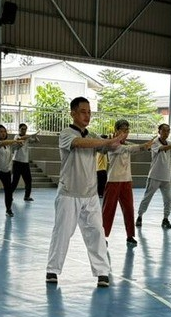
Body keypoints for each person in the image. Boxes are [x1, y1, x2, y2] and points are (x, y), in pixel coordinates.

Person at [46, 97, 127, 287]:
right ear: (73, 113)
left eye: (89, 112)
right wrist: (106, 141)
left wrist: (116, 140)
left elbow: (108, 148)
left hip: (90, 195)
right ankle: (52, 269)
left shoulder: (93, 135)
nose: (87, 116)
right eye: (83, 112)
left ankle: (102, 272)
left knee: (97, 233)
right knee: (62, 233)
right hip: (69, 193)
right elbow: (80, 143)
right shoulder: (66, 134)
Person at [101, 119, 155, 247]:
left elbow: (132, 148)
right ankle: (102, 236)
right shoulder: (112, 144)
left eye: (127, 130)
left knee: (129, 209)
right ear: (116, 130)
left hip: (126, 181)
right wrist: (142, 146)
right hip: (113, 181)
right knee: (108, 210)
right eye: (123, 130)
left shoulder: (126, 144)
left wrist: (145, 147)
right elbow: (127, 149)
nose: (125, 133)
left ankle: (130, 236)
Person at [136, 123, 171, 229]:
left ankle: (165, 219)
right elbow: (163, 148)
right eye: (164, 130)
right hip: (155, 176)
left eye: (168, 131)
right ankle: (140, 216)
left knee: (168, 200)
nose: (166, 133)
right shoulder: (155, 143)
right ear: (159, 131)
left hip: (166, 178)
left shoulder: (170, 143)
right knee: (147, 197)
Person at [9, 123, 37, 202]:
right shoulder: (16, 137)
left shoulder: (27, 138)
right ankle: (9, 195)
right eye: (22, 129)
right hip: (17, 162)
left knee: (28, 180)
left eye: (25, 129)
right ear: (19, 129)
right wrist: (29, 136)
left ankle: (27, 196)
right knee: (15, 181)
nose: (24, 130)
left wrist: (35, 136)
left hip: (25, 162)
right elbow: (21, 139)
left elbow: (36, 141)